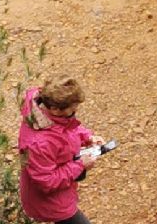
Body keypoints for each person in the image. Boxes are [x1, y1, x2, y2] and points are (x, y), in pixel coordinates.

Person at [17, 78, 106, 224]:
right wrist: (80, 165)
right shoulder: (39, 144)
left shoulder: (45, 113)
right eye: (72, 110)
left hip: (62, 193)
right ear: (55, 109)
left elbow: (66, 127)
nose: (75, 112)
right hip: (49, 204)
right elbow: (46, 181)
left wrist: (87, 136)